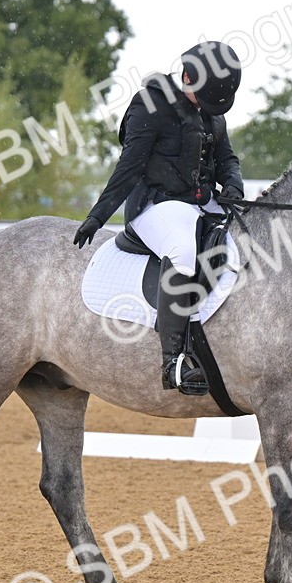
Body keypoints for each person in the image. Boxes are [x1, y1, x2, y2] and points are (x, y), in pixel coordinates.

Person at [73, 41, 244, 393]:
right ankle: (174, 362)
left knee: (247, 231)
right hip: (155, 206)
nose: (209, 109)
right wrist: (98, 215)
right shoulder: (151, 106)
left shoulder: (211, 108)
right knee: (182, 250)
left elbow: (227, 160)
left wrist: (233, 188)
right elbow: (130, 165)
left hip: (200, 202)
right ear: (185, 77)